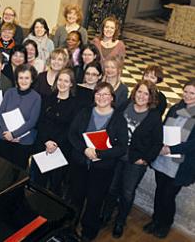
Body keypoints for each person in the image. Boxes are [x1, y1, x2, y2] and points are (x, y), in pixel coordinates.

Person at [101, 80, 163, 238]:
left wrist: (145, 159)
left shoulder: (154, 117)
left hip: (135, 161)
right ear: (134, 93)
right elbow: (112, 126)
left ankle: (120, 221)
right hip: (117, 155)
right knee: (111, 187)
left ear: (151, 97)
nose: (142, 96)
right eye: (139, 92)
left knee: (127, 193)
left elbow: (157, 143)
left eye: (146, 93)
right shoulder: (125, 107)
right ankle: (106, 215)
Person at [68, 82, 127, 242]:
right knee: (76, 197)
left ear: (112, 98)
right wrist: (84, 150)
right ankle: (70, 227)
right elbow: (72, 134)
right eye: (98, 94)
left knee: (95, 201)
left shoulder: (118, 119)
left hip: (102, 168)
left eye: (105, 94)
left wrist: (101, 153)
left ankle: (89, 231)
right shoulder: (84, 112)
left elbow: (122, 147)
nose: (101, 98)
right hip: (80, 164)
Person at [145, 80, 195, 239]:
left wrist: (171, 149)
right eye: (185, 91)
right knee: (159, 192)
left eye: (192, 93)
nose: (187, 95)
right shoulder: (176, 108)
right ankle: (155, 220)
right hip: (164, 159)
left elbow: (193, 144)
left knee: (168, 196)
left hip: (181, 164)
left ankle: (165, 224)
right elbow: (164, 127)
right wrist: (161, 144)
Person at [32, 68, 78, 195]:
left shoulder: (74, 104)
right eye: (60, 80)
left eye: (66, 81)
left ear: (71, 84)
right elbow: (40, 121)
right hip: (42, 145)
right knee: (38, 182)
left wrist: (55, 143)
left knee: (55, 185)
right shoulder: (47, 99)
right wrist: (47, 141)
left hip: (60, 150)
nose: (62, 84)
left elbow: (71, 128)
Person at [0, 64, 41, 169]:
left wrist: (14, 134)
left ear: (32, 79)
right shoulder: (9, 92)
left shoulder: (36, 97)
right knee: (0, 170)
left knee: (17, 173)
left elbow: (32, 121)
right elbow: (1, 114)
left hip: (24, 141)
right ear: (17, 79)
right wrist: (8, 134)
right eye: (21, 77)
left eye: (27, 78)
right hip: (4, 137)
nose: (23, 81)